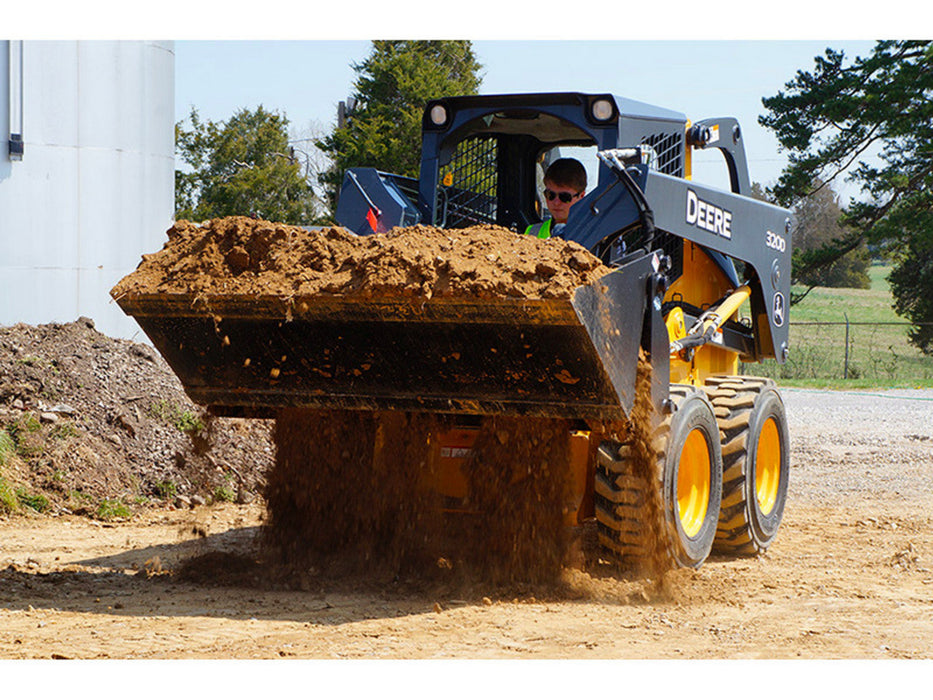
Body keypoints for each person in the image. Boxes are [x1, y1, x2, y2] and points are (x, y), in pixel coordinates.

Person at [524, 157, 587, 239]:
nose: (556, 202)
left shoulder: (592, 235)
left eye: (564, 197)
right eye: (551, 195)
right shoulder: (532, 233)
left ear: (581, 196)